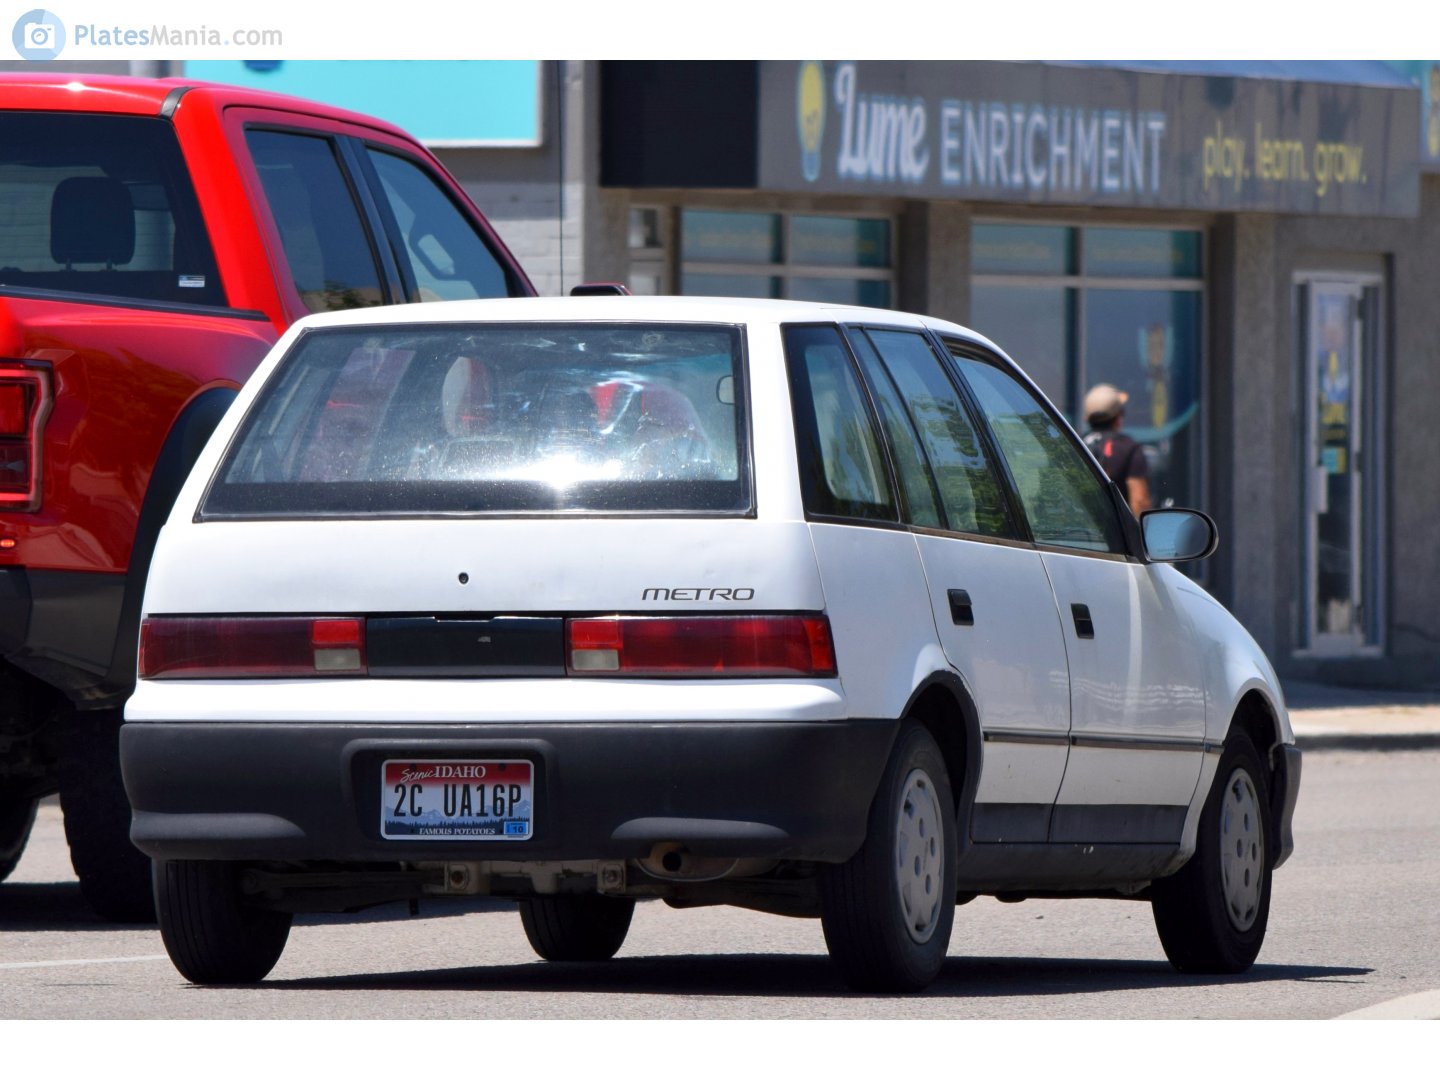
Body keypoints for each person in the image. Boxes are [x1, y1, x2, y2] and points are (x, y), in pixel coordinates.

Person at [1082, 383, 1152, 516]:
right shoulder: (1129, 448)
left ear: (1086, 418)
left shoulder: (1075, 445)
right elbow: (1140, 501)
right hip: (1114, 535)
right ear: (1118, 418)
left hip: (1078, 532)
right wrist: (1145, 533)